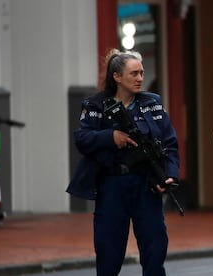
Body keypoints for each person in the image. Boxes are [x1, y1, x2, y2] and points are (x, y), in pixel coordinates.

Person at [67, 49, 180, 275]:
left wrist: (170, 174)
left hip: (146, 184)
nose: (140, 78)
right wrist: (110, 137)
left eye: (141, 73)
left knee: (154, 248)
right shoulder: (96, 104)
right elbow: (82, 138)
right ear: (117, 77)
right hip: (112, 185)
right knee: (109, 252)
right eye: (134, 74)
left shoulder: (153, 103)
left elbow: (170, 144)